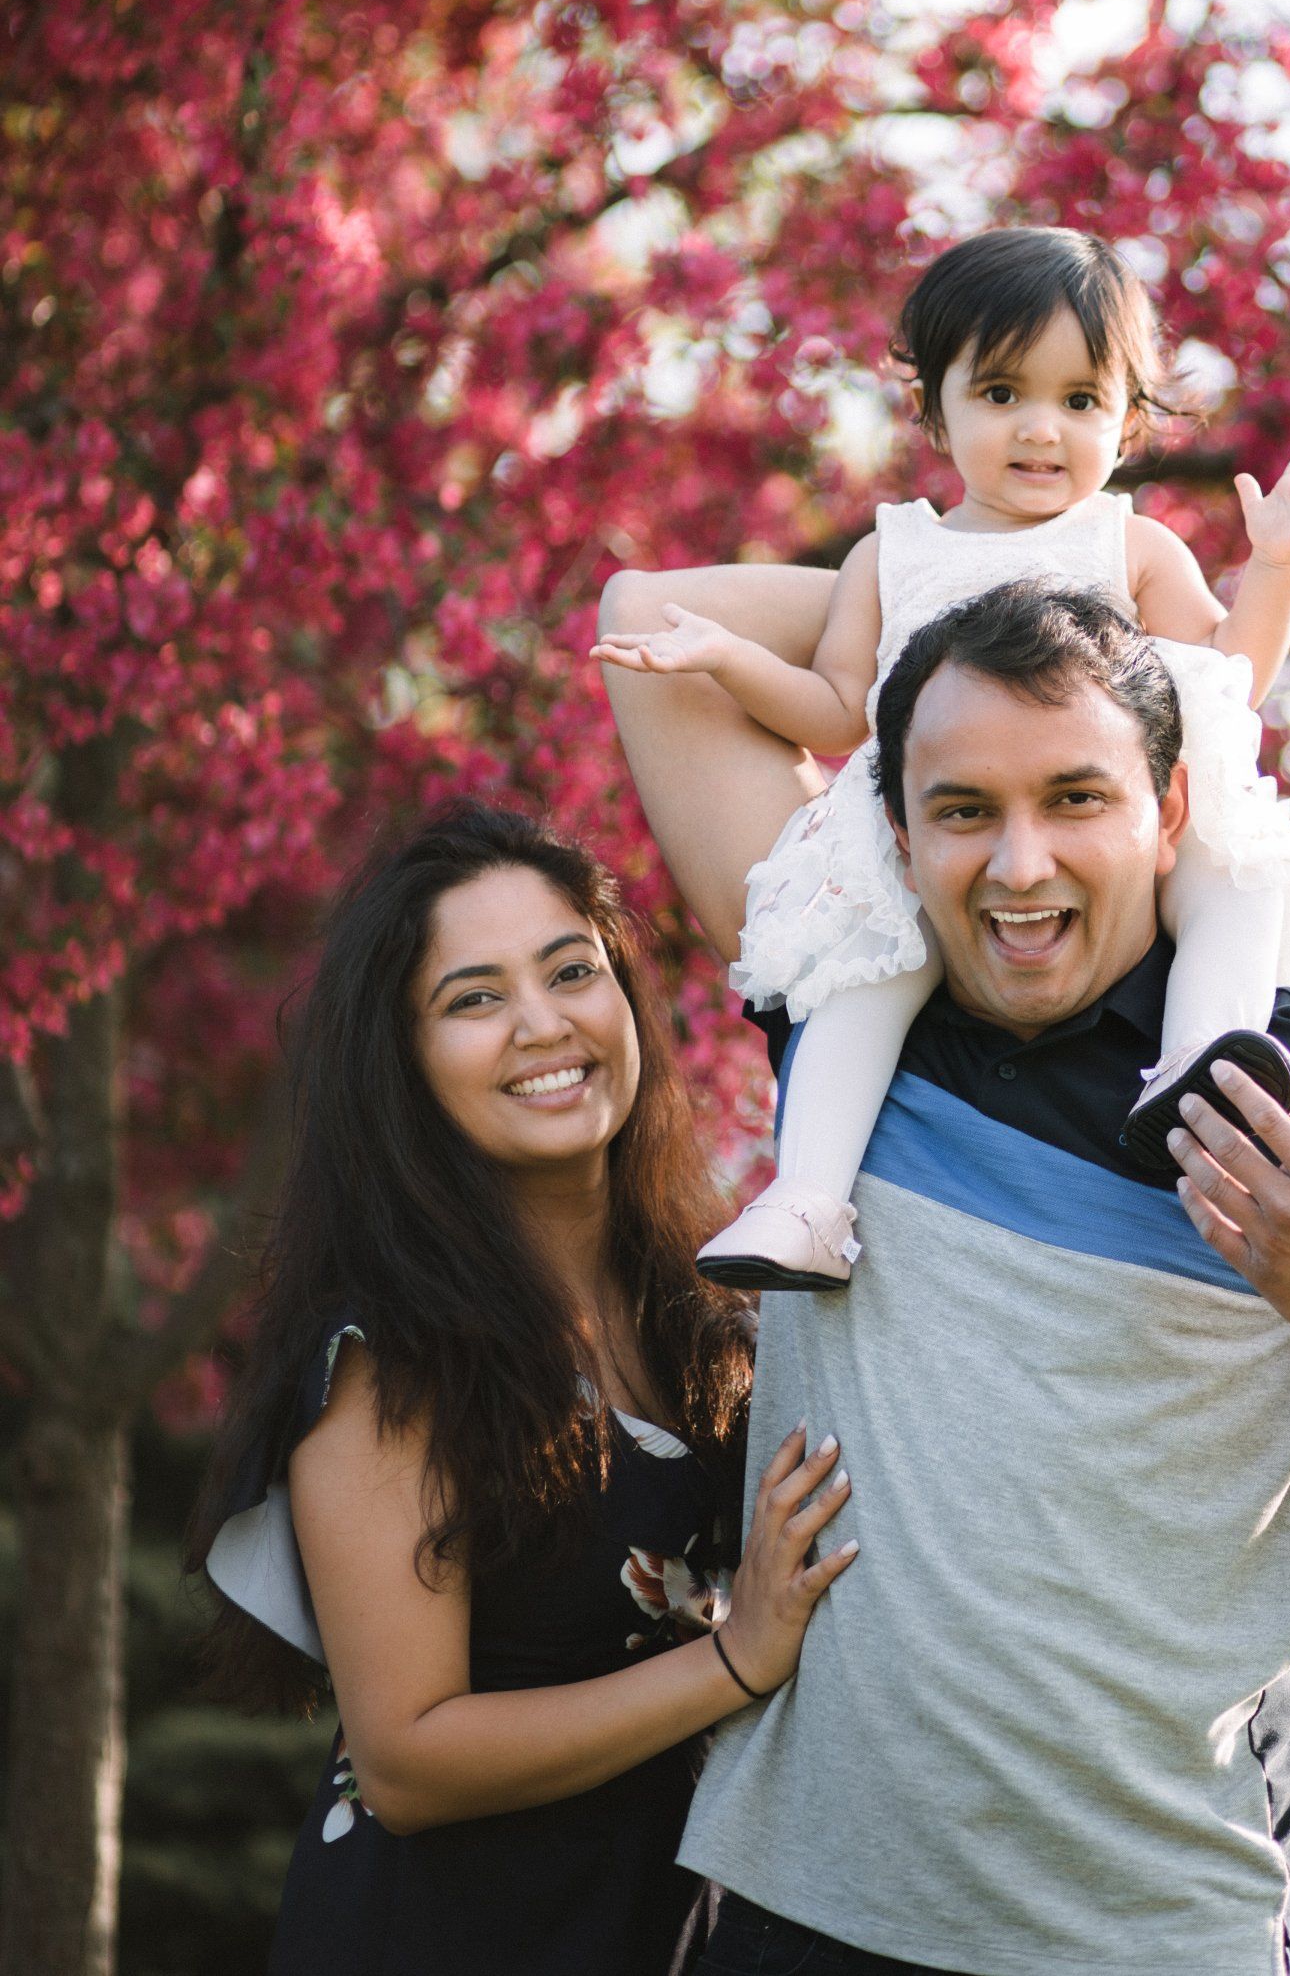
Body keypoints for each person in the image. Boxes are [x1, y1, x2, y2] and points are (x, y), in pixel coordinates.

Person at [598, 579, 1290, 1976]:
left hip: (1157, 1935)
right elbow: (647, 612)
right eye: (964, 809)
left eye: (1077, 796)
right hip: (799, 1922)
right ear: (896, 835)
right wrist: (992, 540)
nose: (1020, 866)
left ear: (1174, 812)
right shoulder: (835, 1019)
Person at [593, 224, 1290, 1289]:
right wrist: (723, 659)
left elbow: (1232, 672)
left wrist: (1275, 561)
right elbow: (832, 713)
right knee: (867, 972)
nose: (1040, 431)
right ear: (934, 404)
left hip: (1118, 820)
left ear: (1130, 422)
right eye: (1001, 394)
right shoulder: (892, 552)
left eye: (1081, 402)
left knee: (1231, 872)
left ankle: (1197, 1061)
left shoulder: (1131, 546)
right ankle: (809, 1199)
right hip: (935, 833)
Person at [186, 800, 858, 1976]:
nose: (543, 1026)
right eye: (474, 998)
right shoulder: (386, 1359)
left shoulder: (708, 1321)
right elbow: (407, 1759)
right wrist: (733, 1658)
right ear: (404, 1058)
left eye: (571, 971)